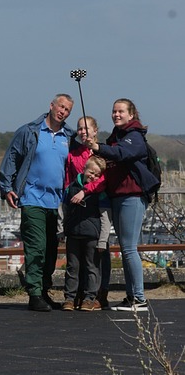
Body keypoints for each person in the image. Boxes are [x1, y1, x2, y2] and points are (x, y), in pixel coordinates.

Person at [79, 98, 160, 312]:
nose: (116, 114)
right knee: (125, 249)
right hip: (118, 196)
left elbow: (122, 153)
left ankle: (139, 298)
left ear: (131, 115)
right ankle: (132, 296)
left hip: (131, 196)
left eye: (121, 111)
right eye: (114, 111)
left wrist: (98, 146)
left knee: (129, 248)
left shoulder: (134, 137)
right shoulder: (116, 137)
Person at [0, 93, 74, 312]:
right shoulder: (29, 131)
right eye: (61, 106)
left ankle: (43, 290)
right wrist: (7, 188)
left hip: (57, 201)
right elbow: (11, 158)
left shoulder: (68, 136)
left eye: (67, 109)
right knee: (37, 247)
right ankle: (33, 294)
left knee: (51, 250)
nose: (63, 111)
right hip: (32, 198)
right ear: (51, 106)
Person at [66, 116, 112, 309]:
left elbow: (104, 179)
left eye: (86, 128)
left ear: (95, 131)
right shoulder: (73, 155)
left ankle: (98, 295)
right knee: (76, 263)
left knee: (98, 259)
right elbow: (69, 181)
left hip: (95, 211)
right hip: (77, 215)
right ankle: (77, 295)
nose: (82, 132)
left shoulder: (101, 152)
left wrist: (86, 190)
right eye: (79, 128)